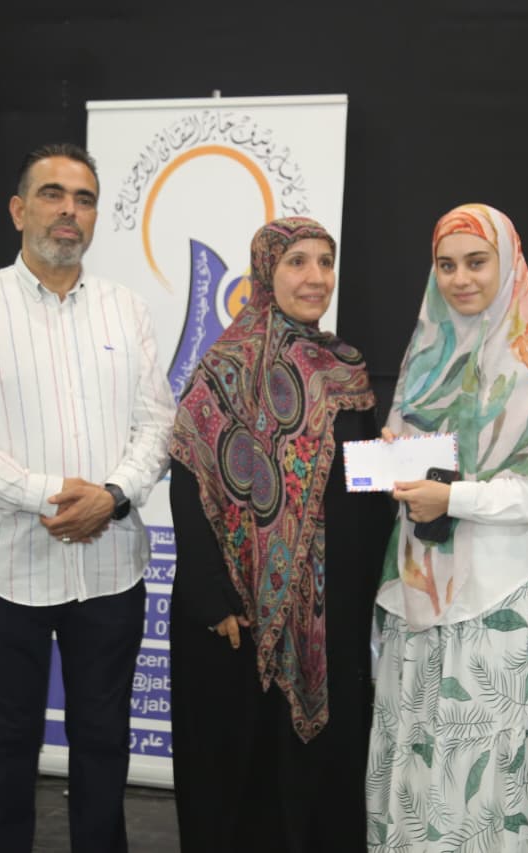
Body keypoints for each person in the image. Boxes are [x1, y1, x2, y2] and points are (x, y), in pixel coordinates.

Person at [0, 143, 175, 853]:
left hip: (110, 569)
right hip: (7, 570)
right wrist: (47, 496)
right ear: (18, 210)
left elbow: (158, 424)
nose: (69, 211)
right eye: (53, 194)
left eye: (84, 199)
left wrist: (113, 495)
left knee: (104, 742)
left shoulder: (127, 309)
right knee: (4, 746)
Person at [167, 216, 392, 852]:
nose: (316, 277)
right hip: (239, 613)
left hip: (330, 607)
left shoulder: (346, 368)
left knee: (324, 772)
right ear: (266, 272)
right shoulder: (226, 366)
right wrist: (212, 597)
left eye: (325, 262)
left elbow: (359, 483)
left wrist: (405, 466)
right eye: (298, 262)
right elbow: (190, 477)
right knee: (245, 772)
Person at [367, 204, 528, 852]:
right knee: (418, 753)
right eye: (447, 264)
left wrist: (452, 497)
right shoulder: (426, 351)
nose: (460, 279)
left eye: (476, 262)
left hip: (497, 594)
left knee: (487, 766)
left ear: (507, 263)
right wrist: (393, 460)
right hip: (416, 590)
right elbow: (412, 457)